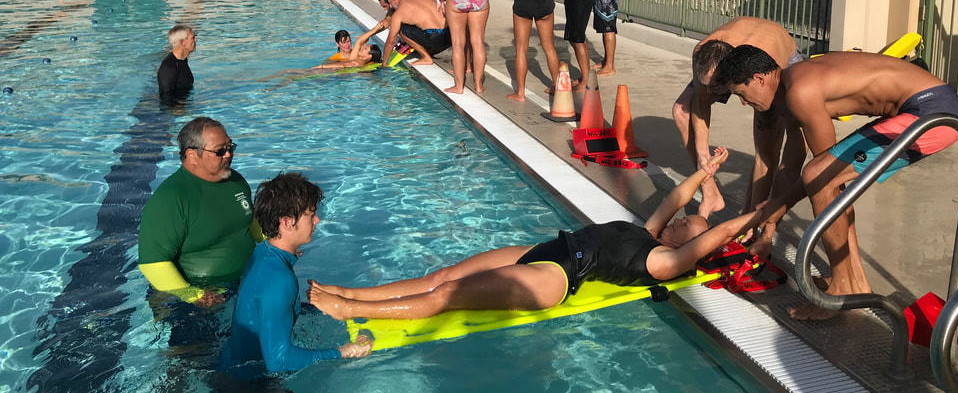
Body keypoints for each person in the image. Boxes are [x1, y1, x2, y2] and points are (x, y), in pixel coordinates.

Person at [306, 149, 757, 321]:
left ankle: (347, 310)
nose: (680, 221)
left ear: (686, 245)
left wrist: (758, 215)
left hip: (556, 277)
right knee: (442, 274)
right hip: (549, 249)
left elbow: (710, 241)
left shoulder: (662, 261)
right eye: (684, 219)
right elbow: (675, 198)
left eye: (688, 228)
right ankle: (352, 291)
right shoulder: (653, 232)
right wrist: (704, 172)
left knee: (449, 294)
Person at [714, 46, 958, 320]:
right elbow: (800, 163)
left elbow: (820, 174)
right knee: (831, 184)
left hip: (932, 113)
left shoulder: (800, 91)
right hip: (924, 107)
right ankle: (854, 283)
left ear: (759, 79)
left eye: (741, 94)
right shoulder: (791, 86)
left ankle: (840, 288)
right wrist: (770, 223)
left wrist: (779, 204)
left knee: (822, 178)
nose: (743, 102)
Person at [221, 173, 372, 372]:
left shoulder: (262, 253)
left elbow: (269, 309)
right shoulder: (280, 279)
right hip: (250, 384)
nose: (317, 220)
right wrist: (344, 351)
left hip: (232, 363)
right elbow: (279, 362)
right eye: (311, 215)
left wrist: (327, 308)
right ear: (287, 222)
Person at [672, 17, 805, 217]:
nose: (712, 93)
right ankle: (711, 196)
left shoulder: (763, 71)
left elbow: (765, 159)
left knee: (767, 149)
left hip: (778, 53)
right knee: (681, 111)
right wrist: (703, 158)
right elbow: (700, 102)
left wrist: (748, 221)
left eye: (717, 87)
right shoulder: (702, 51)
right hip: (734, 47)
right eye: (709, 86)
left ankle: (752, 215)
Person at [138, 117, 262, 307]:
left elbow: (249, 223)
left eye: (231, 147)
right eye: (220, 151)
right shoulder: (171, 199)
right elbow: (153, 263)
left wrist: (276, 245)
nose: (228, 155)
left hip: (243, 282)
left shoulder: (235, 181)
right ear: (192, 155)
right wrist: (194, 295)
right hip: (197, 297)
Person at [377, 0, 451, 66]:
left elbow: (391, 41)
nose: (386, 9)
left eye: (385, 6)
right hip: (451, 35)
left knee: (402, 29)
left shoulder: (398, 14)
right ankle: (428, 51)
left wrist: (384, 63)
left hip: (437, 38)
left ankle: (426, 58)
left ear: (390, 0)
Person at [157, 25, 196, 104]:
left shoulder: (182, 60)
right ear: (182, 42)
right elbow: (165, 99)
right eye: (193, 38)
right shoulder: (169, 68)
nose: (195, 40)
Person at [317, 28, 383, 70]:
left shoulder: (357, 53)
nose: (347, 45)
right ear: (337, 44)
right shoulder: (334, 59)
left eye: (348, 41)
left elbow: (362, 41)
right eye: (344, 42)